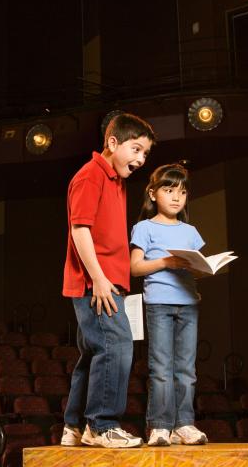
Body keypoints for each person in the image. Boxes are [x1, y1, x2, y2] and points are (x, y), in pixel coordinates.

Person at [60, 112, 155, 449]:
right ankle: (102, 425)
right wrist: (98, 279)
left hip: (111, 281)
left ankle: (74, 425)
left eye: (145, 153)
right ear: (112, 142)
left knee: (94, 354)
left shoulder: (117, 181)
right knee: (116, 346)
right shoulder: (90, 176)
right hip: (96, 284)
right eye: (136, 149)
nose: (141, 159)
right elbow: (79, 229)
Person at [130, 162, 209, 447]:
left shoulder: (190, 231)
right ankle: (160, 426)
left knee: (186, 369)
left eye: (183, 192)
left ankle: (184, 423)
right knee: (161, 368)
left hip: (188, 304)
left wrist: (203, 268)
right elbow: (135, 268)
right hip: (159, 304)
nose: (177, 197)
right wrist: (166, 261)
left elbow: (198, 268)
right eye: (169, 189)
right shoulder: (144, 228)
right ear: (153, 194)